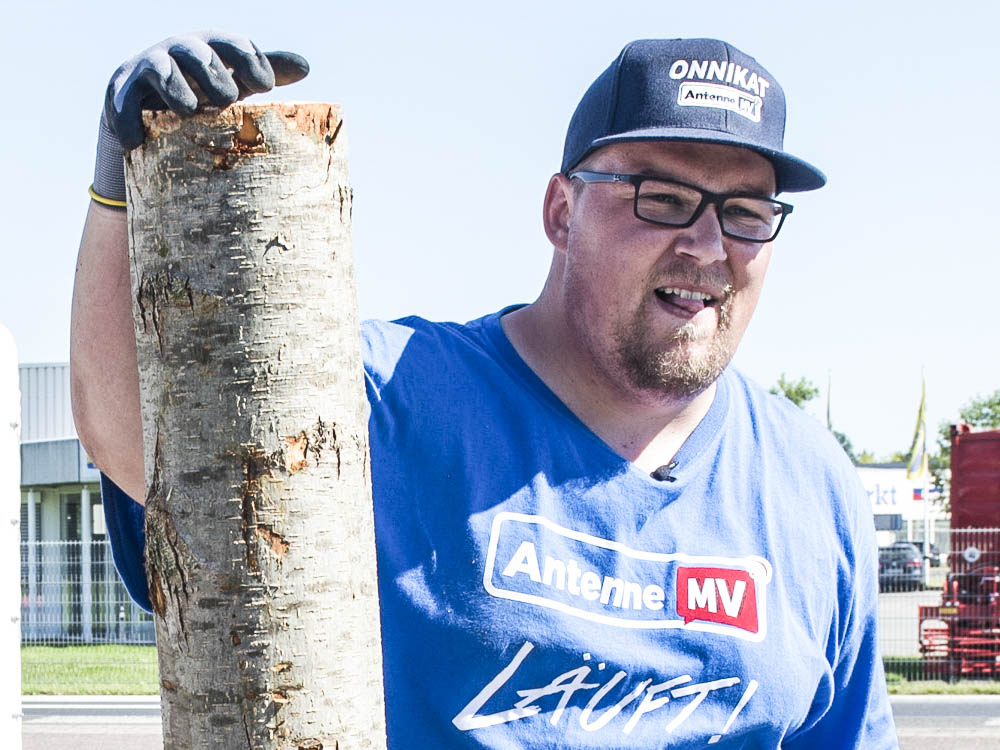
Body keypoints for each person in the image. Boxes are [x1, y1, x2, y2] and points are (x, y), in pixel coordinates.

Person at [71, 31, 899, 748]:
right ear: (561, 211)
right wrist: (124, 182)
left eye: (747, 212)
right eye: (666, 198)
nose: (709, 244)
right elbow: (138, 437)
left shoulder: (809, 485)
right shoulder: (390, 399)